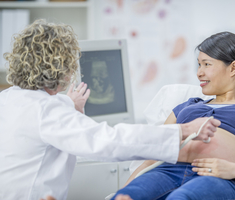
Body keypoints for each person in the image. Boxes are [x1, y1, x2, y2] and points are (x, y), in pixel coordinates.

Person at [0, 19, 221, 200]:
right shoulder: (47, 111)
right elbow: (108, 141)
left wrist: (69, 105)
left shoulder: (8, 98)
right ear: (61, 67)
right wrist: (182, 130)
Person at [112, 32, 235, 200]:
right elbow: (152, 158)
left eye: (207, 64)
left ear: (233, 67)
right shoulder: (187, 107)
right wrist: (125, 189)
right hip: (166, 171)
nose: (199, 72)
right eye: (199, 64)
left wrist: (233, 170)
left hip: (219, 179)